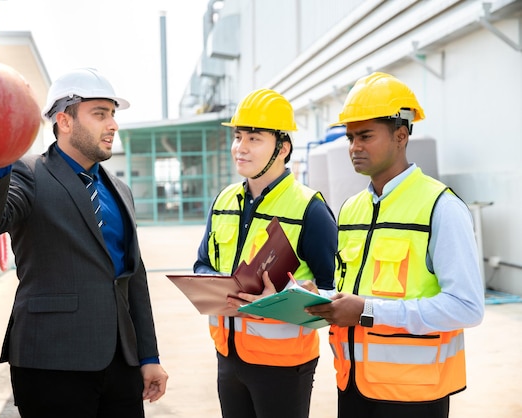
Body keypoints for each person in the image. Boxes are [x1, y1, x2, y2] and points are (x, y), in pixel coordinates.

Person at [0, 67, 168, 418]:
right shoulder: (26, 173)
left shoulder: (119, 190)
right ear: (65, 120)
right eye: (100, 114)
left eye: (113, 115)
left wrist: (148, 356)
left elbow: (133, 278)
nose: (113, 125)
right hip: (51, 362)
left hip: (121, 362)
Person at [305, 72, 485, 418]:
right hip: (353, 386)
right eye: (350, 137)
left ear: (400, 136)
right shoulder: (351, 208)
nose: (354, 147)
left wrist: (367, 311)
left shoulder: (440, 207)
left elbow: (467, 307)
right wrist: (320, 298)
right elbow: (355, 292)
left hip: (415, 396)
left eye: (366, 136)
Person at [193, 88, 337, 418]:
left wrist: (285, 296)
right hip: (227, 354)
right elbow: (202, 262)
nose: (240, 147)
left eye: (254, 138)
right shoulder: (224, 201)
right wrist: (212, 283)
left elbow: (334, 291)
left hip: (283, 363)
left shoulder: (309, 209)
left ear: (282, 148)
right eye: (238, 136)